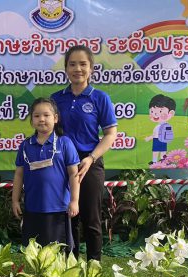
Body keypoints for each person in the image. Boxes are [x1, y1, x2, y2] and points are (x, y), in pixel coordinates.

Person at [51, 45, 117, 261]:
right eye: (72, 64)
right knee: (67, 217)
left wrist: (91, 158)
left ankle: (93, 266)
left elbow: (110, 134)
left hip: (89, 163)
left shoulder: (100, 98)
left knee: (91, 218)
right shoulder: (56, 99)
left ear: (91, 69)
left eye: (82, 64)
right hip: (61, 165)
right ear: (66, 69)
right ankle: (69, 265)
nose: (77, 69)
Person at [12, 97, 80, 249]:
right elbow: (19, 175)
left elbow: (73, 174)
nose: (41, 119)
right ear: (32, 120)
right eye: (36, 116)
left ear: (55, 118)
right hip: (32, 208)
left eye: (46, 115)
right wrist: (15, 200)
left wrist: (74, 200)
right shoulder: (25, 145)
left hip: (59, 209)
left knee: (58, 251)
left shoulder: (65, 143)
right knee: (34, 251)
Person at [145, 94, 176, 164]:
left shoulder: (163, 126)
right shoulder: (161, 125)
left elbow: (156, 134)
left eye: (160, 111)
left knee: (159, 151)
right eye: (152, 111)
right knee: (159, 151)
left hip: (160, 139)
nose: (155, 114)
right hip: (160, 140)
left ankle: (159, 160)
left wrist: (149, 138)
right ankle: (156, 161)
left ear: (171, 113)